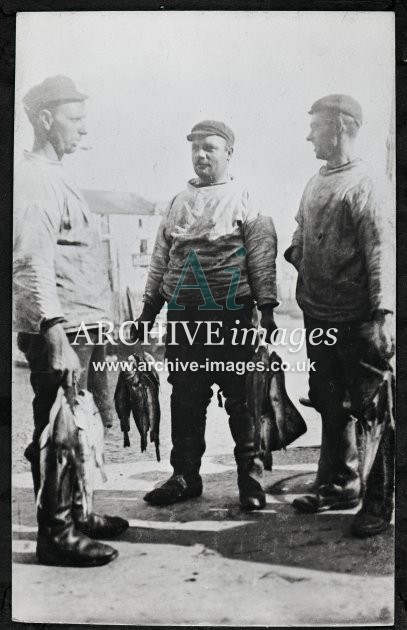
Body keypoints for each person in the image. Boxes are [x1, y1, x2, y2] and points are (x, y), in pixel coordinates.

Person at [14, 75, 128, 566]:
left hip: (81, 327)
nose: (84, 129)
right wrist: (53, 330)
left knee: (79, 426)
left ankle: (78, 514)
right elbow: (29, 262)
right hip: (61, 331)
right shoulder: (36, 180)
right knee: (58, 430)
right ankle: (57, 534)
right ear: (44, 119)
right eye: (74, 119)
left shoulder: (56, 174)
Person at [134, 120, 278, 510]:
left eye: (209, 147)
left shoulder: (247, 197)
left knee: (243, 401)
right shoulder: (178, 201)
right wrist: (147, 314)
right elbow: (161, 260)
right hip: (184, 316)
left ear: (228, 153)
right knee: (185, 400)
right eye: (195, 148)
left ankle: (251, 482)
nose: (200, 155)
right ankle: (184, 475)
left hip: (233, 315)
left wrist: (266, 310)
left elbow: (263, 257)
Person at [284, 94, 395, 536]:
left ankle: (378, 502)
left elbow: (381, 250)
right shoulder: (315, 183)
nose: (309, 135)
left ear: (342, 126)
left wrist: (384, 313)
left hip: (360, 319)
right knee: (330, 402)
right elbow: (299, 229)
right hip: (319, 316)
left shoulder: (367, 184)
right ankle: (337, 485)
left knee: (375, 411)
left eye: (316, 126)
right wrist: (303, 257)